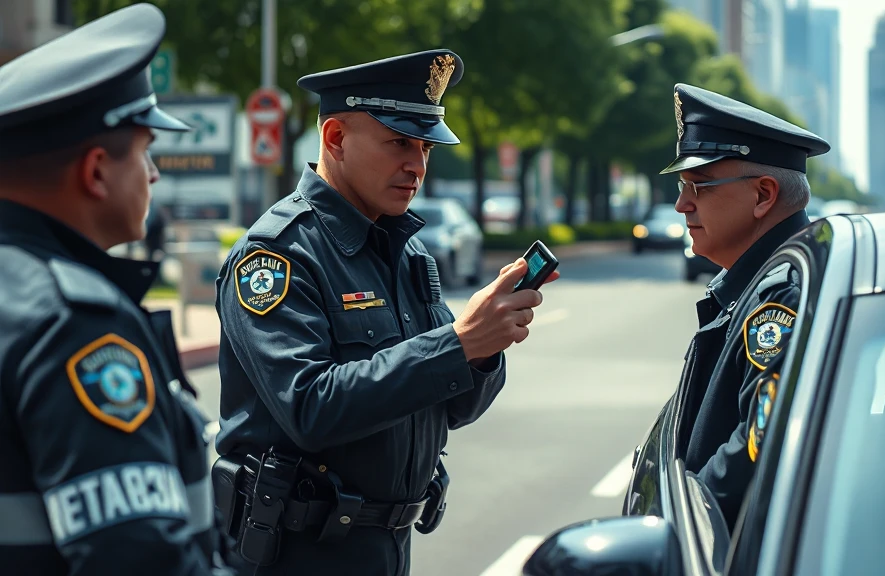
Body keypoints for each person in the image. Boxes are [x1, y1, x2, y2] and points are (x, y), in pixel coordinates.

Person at [213, 49, 557, 575]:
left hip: (386, 548)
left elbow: (455, 409)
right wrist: (460, 342)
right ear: (334, 139)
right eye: (398, 142)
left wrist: (485, 347)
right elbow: (310, 407)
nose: (416, 165)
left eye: (425, 146)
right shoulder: (277, 255)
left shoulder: (405, 251)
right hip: (298, 555)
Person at [0, 4, 232, 575]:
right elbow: (138, 559)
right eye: (146, 151)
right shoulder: (74, 323)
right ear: (97, 171)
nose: (154, 174)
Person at [660, 83, 830, 529]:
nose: (682, 204)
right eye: (682, 186)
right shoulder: (762, 281)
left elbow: (756, 447)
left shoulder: (782, 294)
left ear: (763, 196)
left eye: (699, 185)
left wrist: (683, 528)